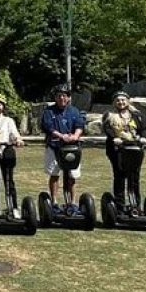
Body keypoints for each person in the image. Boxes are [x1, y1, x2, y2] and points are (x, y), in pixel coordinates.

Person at [40, 83, 85, 213]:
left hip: (72, 147)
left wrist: (75, 136)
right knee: (54, 174)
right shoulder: (49, 111)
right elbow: (47, 127)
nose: (62, 98)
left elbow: (80, 125)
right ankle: (54, 201)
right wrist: (61, 136)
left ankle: (72, 202)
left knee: (71, 175)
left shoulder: (74, 111)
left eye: (64, 96)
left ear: (68, 98)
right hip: (54, 147)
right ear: (55, 97)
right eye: (59, 96)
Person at [101, 90, 146, 208]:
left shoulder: (136, 114)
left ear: (127, 101)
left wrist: (143, 137)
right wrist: (114, 138)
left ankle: (136, 205)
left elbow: (143, 129)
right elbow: (108, 129)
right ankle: (119, 205)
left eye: (123, 100)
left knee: (134, 176)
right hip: (117, 150)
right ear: (114, 102)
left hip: (135, 148)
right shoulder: (109, 115)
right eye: (118, 100)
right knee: (120, 175)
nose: (120, 102)